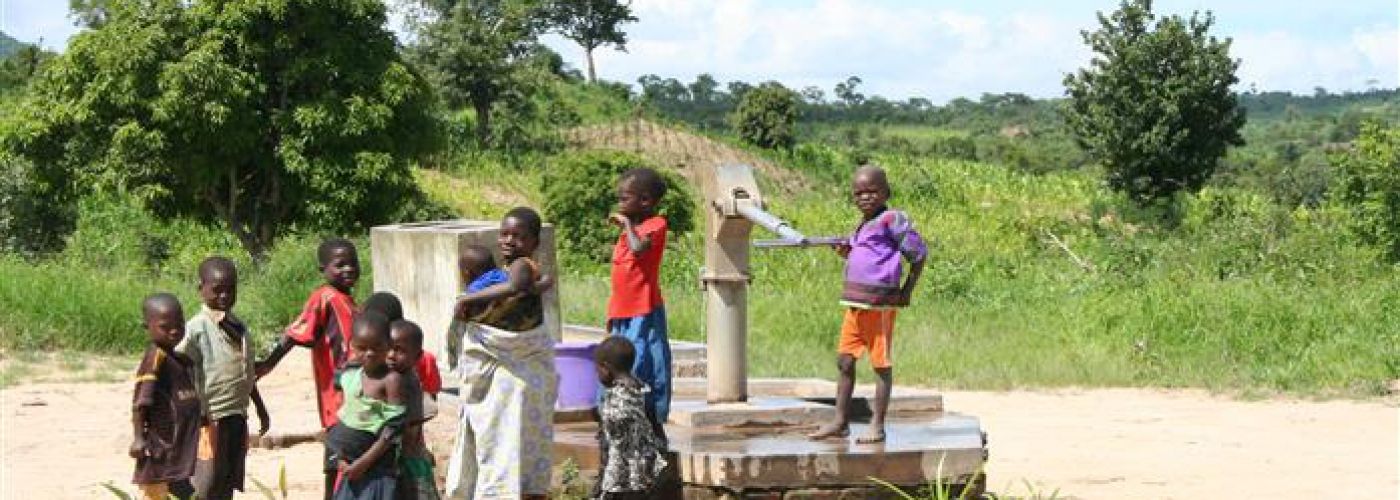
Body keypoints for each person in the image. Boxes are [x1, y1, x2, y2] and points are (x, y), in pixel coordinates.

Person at [808, 165, 927, 444]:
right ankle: (840, 421)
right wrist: (845, 251)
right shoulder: (862, 225)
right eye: (859, 193)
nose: (865, 197)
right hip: (855, 305)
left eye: (872, 192)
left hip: (880, 307)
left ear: (886, 192)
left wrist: (907, 290)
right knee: (845, 361)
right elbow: (864, 255)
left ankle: (878, 425)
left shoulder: (891, 220)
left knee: (880, 365)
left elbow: (918, 255)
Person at [445, 207, 558, 500]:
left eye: (518, 236)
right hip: (519, 366)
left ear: (534, 241)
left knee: (501, 442)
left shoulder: (520, 266)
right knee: (513, 443)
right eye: (505, 234)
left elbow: (516, 286)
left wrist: (468, 298)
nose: (509, 240)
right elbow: (536, 285)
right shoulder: (515, 270)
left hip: (516, 361)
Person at [257, 237, 361, 499]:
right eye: (340, 265)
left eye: (353, 263)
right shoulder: (324, 297)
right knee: (337, 458)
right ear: (323, 270)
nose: (348, 269)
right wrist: (269, 363)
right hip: (337, 399)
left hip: (355, 396)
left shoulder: (350, 302)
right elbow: (296, 333)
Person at [178, 257, 270, 500]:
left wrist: (260, 407)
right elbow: (178, 368)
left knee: (227, 478)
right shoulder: (195, 329)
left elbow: (246, 373)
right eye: (217, 290)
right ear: (201, 289)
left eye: (231, 289)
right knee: (205, 482)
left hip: (236, 417)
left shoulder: (239, 327)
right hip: (209, 419)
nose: (224, 296)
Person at [606, 168, 672, 439]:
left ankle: (652, 420)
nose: (620, 204)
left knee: (644, 362)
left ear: (645, 201)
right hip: (622, 311)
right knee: (616, 364)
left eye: (625, 199)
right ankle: (622, 420)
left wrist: (626, 225)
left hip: (643, 310)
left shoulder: (656, 225)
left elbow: (638, 249)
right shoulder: (631, 230)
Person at [326, 312, 406, 500]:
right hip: (350, 467)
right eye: (362, 348)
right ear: (352, 346)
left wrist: (363, 463)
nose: (369, 353)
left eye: (377, 347)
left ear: (388, 345)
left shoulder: (390, 380)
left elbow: (393, 430)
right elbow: (349, 414)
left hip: (375, 470)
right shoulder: (352, 375)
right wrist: (343, 459)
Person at [130, 293, 201, 500]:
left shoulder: (177, 358)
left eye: (179, 324)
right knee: (161, 493)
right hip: (161, 451)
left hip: (177, 449)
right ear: (147, 327)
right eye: (165, 326)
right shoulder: (155, 357)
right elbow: (141, 402)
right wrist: (138, 438)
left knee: (183, 490)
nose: (174, 331)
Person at [592, 337, 668, 500]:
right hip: (644, 471)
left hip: (619, 475)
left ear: (606, 368)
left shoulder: (615, 398)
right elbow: (655, 426)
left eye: (597, 370)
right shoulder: (644, 391)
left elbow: (610, 437)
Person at [388, 320, 441, 500]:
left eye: (399, 350)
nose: (391, 355)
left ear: (417, 356)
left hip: (407, 460)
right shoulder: (392, 377)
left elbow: (407, 433)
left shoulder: (407, 383)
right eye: (387, 347)